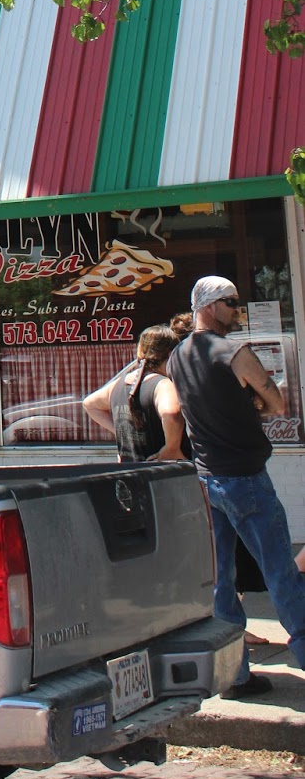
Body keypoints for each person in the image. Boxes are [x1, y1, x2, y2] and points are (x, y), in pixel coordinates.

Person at [167, 274, 305, 698]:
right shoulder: (233, 352)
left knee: (221, 582)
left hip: (207, 479)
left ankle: (234, 675)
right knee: (281, 572)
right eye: (230, 302)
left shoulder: (177, 357)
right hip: (245, 479)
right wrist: (256, 403)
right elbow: (278, 402)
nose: (236, 311)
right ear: (208, 304)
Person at [82, 326, 187, 461]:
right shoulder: (162, 385)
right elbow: (171, 414)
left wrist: (123, 434)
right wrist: (172, 449)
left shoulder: (118, 385)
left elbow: (90, 404)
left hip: (129, 472)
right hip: (160, 475)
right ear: (171, 354)